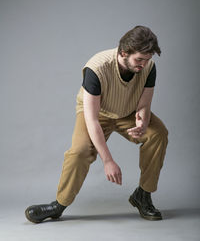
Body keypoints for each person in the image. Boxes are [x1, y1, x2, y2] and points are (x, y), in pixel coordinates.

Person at [25, 25, 168, 223]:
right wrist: (108, 160)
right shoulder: (97, 68)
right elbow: (91, 120)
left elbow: (144, 104)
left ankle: (143, 195)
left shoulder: (148, 67)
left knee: (158, 133)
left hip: (127, 112)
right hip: (97, 113)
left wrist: (142, 120)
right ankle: (58, 205)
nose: (143, 64)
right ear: (123, 52)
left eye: (147, 59)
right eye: (139, 60)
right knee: (80, 151)